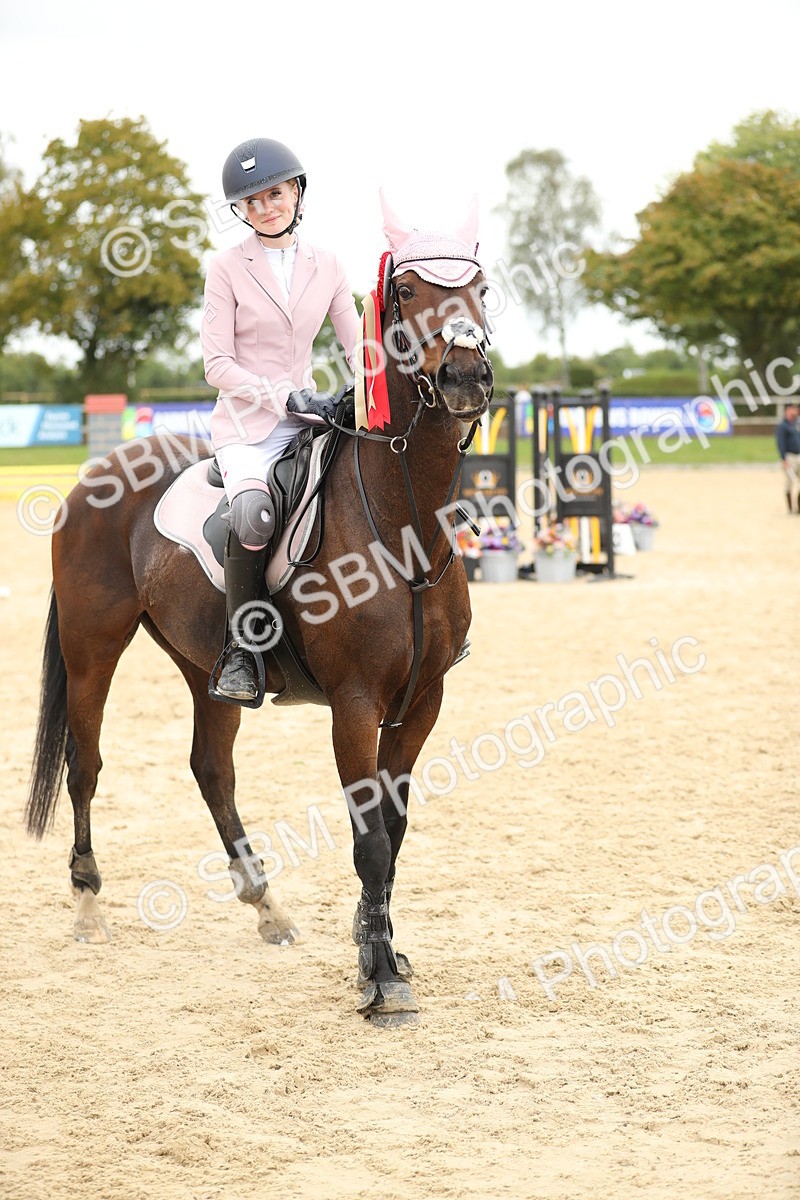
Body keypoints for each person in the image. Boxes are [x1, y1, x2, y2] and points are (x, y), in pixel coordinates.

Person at [201, 137, 360, 703]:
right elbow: (216, 363)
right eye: (253, 201)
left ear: (296, 191)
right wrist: (285, 398)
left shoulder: (330, 265)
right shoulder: (225, 268)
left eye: (275, 193)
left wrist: (371, 389)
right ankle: (243, 650)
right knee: (252, 513)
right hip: (247, 427)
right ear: (242, 211)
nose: (267, 207)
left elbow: (359, 346)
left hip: (312, 419)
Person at [776, 401, 800, 513]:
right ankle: (790, 508)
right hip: (789, 457)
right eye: (793, 408)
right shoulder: (782, 426)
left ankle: (798, 508)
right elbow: (781, 443)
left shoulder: (796, 424)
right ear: (788, 410)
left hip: (799, 455)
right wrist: (783, 458)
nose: (796, 411)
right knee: (790, 482)